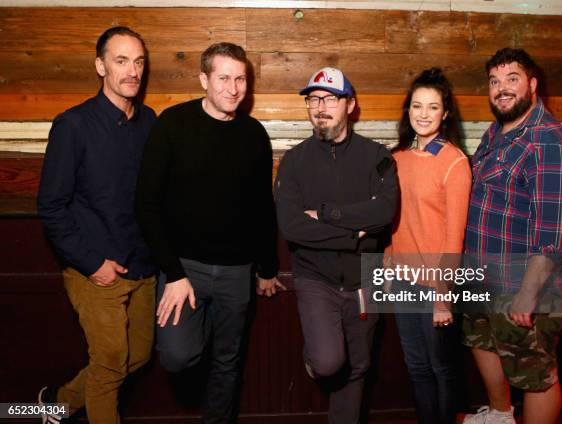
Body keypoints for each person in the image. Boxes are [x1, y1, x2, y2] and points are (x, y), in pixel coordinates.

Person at [135, 42, 283, 423]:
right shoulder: (173, 123)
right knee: (178, 355)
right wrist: (175, 273)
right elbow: (146, 204)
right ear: (204, 79)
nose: (233, 89)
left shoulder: (254, 134)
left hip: (237, 271)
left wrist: (267, 268)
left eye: (240, 80)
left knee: (228, 362)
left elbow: (262, 210)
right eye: (223, 78)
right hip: (185, 269)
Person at [37, 27, 157, 424]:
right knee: (108, 364)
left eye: (138, 62)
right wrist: (91, 264)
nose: (132, 71)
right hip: (95, 269)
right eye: (121, 60)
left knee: (136, 357)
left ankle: (54, 404)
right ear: (100, 66)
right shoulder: (73, 125)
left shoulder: (148, 121)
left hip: (141, 266)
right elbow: (52, 206)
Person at [462, 48, 562, 424]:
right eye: (495, 82)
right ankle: (500, 416)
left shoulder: (551, 143)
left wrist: (528, 296)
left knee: (535, 376)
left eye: (511, 79)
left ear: (532, 84)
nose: (502, 90)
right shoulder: (497, 131)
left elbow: (552, 235)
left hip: (525, 284)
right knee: (483, 343)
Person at [274, 67, 398, 424]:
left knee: (357, 368)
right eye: (314, 100)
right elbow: (293, 226)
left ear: (350, 105)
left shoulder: (377, 156)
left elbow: (383, 211)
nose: (320, 108)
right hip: (316, 278)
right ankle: (315, 355)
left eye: (330, 99)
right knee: (330, 363)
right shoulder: (294, 161)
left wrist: (327, 214)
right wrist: (353, 234)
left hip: (364, 278)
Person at [386, 68, 471, 424]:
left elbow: (454, 236)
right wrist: (388, 269)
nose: (423, 114)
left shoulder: (455, 163)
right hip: (404, 279)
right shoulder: (397, 157)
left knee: (441, 367)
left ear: (445, 113)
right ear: (408, 110)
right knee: (416, 365)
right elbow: (392, 221)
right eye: (417, 106)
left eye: (432, 107)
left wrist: (442, 296)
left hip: (436, 285)